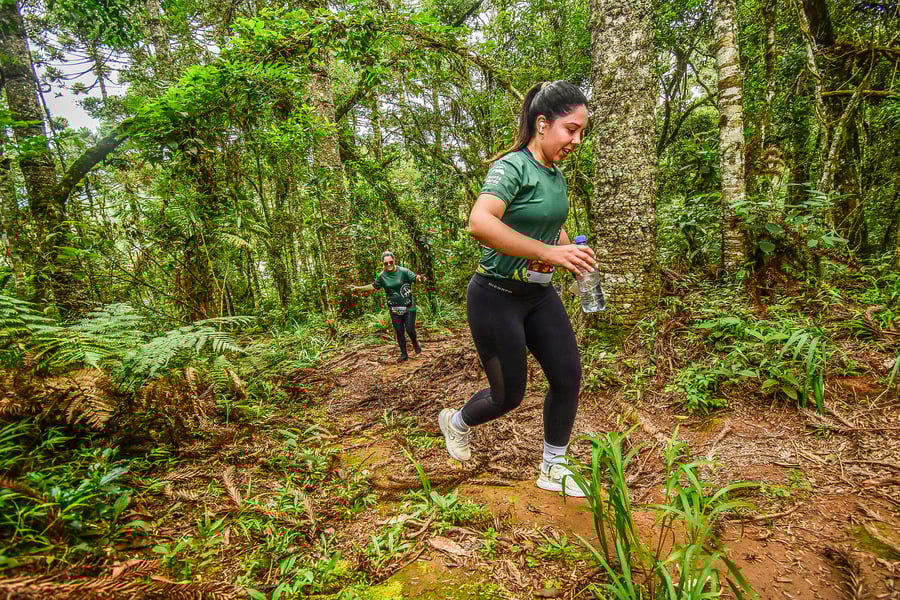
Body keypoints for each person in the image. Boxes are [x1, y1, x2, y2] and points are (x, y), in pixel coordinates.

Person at [438, 81, 595, 497]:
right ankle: (456, 422)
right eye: (571, 130)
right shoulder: (512, 167)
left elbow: (550, 226)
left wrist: (571, 253)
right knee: (508, 395)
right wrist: (548, 251)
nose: (577, 141)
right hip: (496, 296)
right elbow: (480, 223)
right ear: (542, 124)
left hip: (539, 296)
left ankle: (553, 467)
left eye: (582, 132)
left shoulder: (555, 176)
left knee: (567, 376)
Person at [350, 251, 426, 363]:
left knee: (410, 329)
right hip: (394, 307)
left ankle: (415, 344)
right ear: (383, 264)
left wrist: (421, 278)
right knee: (399, 331)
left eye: (391, 262)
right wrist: (359, 288)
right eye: (386, 263)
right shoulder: (382, 276)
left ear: (394, 261)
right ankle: (404, 354)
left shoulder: (404, 271)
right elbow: (374, 286)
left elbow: (416, 278)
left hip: (409, 306)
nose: (389, 264)